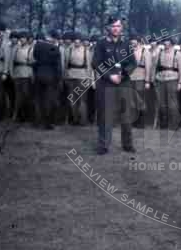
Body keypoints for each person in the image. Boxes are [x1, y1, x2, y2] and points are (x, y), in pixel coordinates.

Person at [93, 17, 137, 154]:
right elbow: (96, 63)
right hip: (106, 83)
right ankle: (103, 145)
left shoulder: (126, 44)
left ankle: (127, 144)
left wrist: (123, 74)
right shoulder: (101, 43)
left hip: (123, 82)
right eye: (113, 26)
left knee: (126, 114)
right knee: (105, 115)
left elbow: (133, 63)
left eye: (118, 26)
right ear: (108, 28)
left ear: (121, 27)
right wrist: (109, 76)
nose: (116, 28)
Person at [152, 37, 181, 130]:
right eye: (164, 42)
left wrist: (180, 82)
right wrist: (153, 78)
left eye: (167, 41)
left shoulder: (178, 54)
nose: (165, 43)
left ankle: (174, 125)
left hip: (173, 79)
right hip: (160, 80)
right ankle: (163, 124)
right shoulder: (160, 52)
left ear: (171, 43)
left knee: (172, 104)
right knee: (162, 103)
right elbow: (155, 66)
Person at [33, 32, 63, 129]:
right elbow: (58, 67)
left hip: (39, 75)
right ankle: (48, 123)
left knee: (38, 99)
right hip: (51, 77)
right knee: (48, 100)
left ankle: (37, 121)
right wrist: (58, 79)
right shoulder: (55, 48)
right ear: (54, 39)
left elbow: (35, 60)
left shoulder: (37, 46)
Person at [5, 30, 35, 123]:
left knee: (27, 95)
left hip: (27, 75)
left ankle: (27, 116)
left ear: (27, 40)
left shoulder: (31, 49)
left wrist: (32, 75)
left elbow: (33, 63)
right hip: (17, 74)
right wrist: (12, 73)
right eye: (21, 38)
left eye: (23, 38)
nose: (21, 40)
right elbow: (11, 62)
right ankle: (16, 115)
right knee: (18, 96)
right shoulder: (16, 48)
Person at [64, 32, 93, 125]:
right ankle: (75, 119)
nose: (76, 43)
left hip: (82, 76)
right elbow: (66, 64)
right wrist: (65, 76)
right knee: (72, 99)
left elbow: (89, 66)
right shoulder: (69, 50)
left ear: (81, 42)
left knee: (82, 100)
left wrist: (89, 78)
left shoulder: (86, 51)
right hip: (71, 76)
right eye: (75, 41)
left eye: (78, 41)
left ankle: (83, 120)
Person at [128, 34, 152, 129]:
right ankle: (134, 120)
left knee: (140, 100)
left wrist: (147, 81)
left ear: (138, 41)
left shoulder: (145, 51)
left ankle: (141, 121)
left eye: (134, 40)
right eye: (131, 40)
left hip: (140, 78)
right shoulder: (129, 51)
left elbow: (148, 67)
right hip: (130, 78)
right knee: (131, 100)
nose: (132, 42)